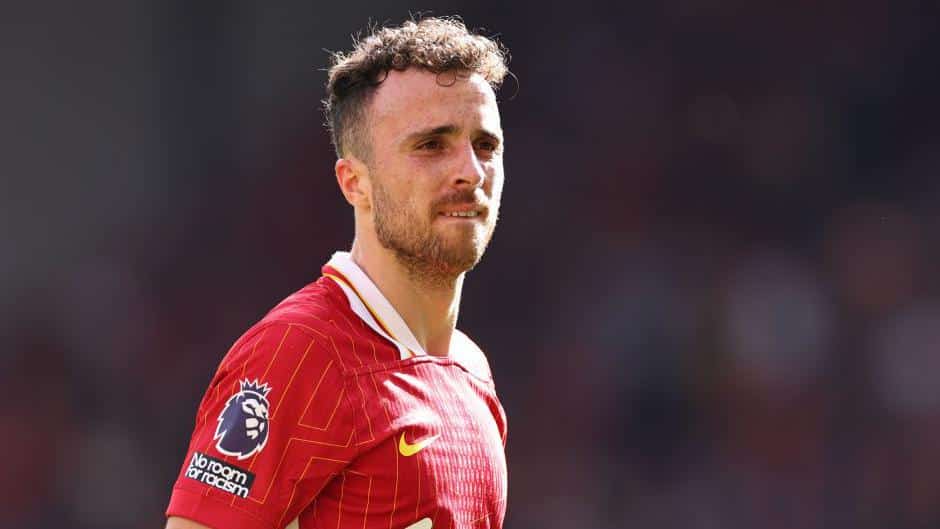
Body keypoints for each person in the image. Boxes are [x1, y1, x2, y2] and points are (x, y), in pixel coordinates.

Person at [164, 16, 510, 529]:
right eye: (431, 145)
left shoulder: (471, 371)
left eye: (485, 145)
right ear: (355, 183)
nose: (470, 171)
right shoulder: (298, 353)